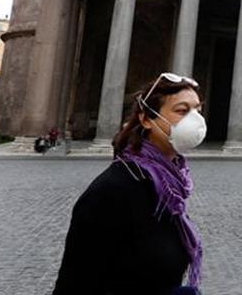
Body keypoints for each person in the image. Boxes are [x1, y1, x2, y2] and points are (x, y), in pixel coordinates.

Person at [53, 73, 206, 295]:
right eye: (182, 111)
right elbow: (75, 283)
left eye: (198, 111)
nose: (195, 120)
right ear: (146, 119)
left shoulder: (170, 187)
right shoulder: (114, 190)